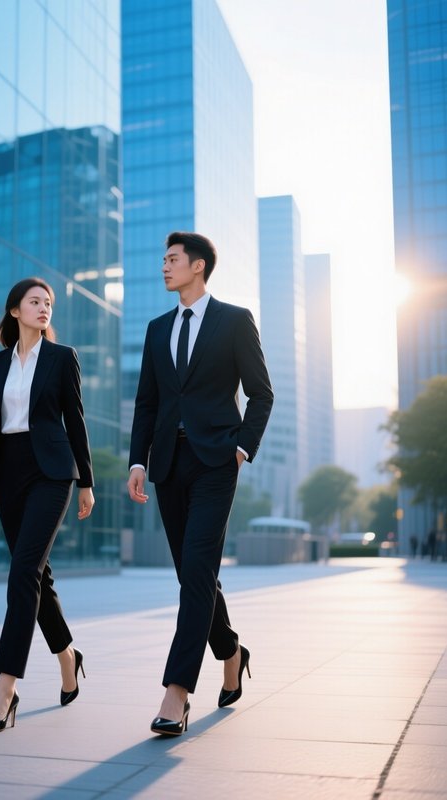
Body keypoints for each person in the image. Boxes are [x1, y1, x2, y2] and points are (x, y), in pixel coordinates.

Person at [128, 232, 273, 737]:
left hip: (215, 463)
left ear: (198, 265)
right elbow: (147, 403)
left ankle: (176, 694)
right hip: (167, 463)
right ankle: (231, 651)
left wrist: (241, 447)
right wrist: (137, 462)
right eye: (163, 259)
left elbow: (261, 393)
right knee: (195, 572)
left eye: (171, 259)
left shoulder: (234, 320)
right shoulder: (156, 328)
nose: (163, 267)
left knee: (196, 570)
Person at [0, 277, 95, 733]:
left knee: (22, 572)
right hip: (7, 471)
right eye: (35, 302)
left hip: (51, 471)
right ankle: (68, 655)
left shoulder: (62, 357)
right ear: (15, 311)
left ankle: (4, 688)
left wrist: (86, 482)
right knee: (36, 574)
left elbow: (77, 421)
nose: (43, 308)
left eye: (48, 303)